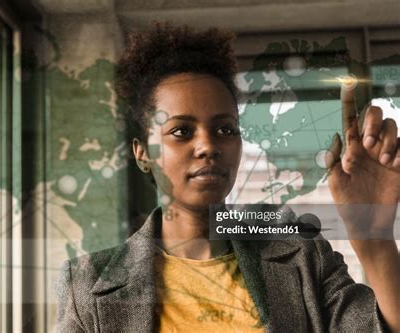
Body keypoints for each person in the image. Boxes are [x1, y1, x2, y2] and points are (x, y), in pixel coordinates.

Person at [55, 23, 400, 332]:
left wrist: (376, 239)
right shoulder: (87, 285)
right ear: (142, 152)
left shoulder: (297, 248)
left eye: (224, 129)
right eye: (182, 131)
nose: (207, 145)